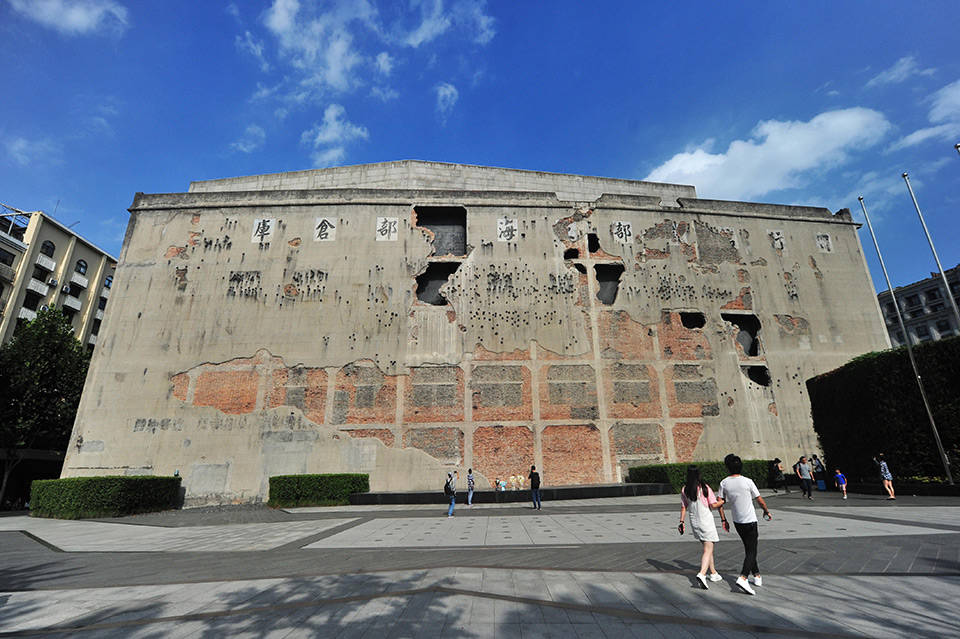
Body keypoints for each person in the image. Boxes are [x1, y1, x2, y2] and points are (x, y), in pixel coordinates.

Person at [716, 454, 772, 596]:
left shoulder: (724, 483)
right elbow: (759, 500)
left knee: (749, 548)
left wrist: (723, 520)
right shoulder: (748, 481)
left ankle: (757, 575)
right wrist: (766, 511)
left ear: (727, 467)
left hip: (737, 521)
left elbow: (720, 503)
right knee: (752, 550)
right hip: (750, 520)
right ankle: (743, 577)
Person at [677, 465, 727, 589]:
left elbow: (684, 507)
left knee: (707, 547)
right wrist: (723, 501)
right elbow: (714, 505)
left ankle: (714, 573)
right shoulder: (704, 488)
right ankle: (702, 574)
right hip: (706, 521)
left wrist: (681, 522)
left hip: (694, 521)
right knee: (708, 549)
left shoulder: (685, 489)